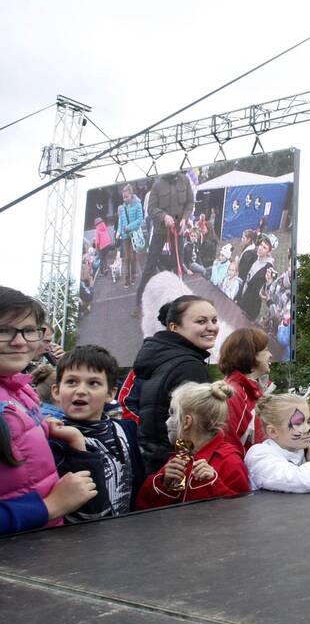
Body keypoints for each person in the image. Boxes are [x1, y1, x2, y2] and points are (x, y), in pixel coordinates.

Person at [0, 287, 97, 533]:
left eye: (29, 330)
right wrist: (50, 507)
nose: (20, 341)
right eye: (4, 330)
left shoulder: (19, 390)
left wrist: (42, 431)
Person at [51, 345, 144, 520]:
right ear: (56, 391)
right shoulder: (54, 440)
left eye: (93, 383)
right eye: (71, 382)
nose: (80, 390)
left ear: (110, 393)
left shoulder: (126, 429)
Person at [131, 296, 218, 470]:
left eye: (214, 320)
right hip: (179, 470)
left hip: (160, 465)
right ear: (174, 328)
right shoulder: (189, 367)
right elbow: (193, 432)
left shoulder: (166, 359)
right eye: (201, 321)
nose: (211, 327)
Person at [136, 380, 249, 508]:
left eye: (172, 414)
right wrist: (165, 483)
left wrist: (213, 484)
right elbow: (145, 508)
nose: (167, 422)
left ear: (186, 421)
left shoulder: (228, 460)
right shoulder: (182, 455)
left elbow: (240, 513)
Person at [244, 394, 310, 493]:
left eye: (309, 421)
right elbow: (301, 482)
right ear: (273, 432)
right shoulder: (260, 455)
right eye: (298, 423)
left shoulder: (299, 448)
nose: (308, 429)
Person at [134, 175, 194, 315]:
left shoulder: (184, 180)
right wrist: (164, 216)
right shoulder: (157, 184)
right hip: (160, 231)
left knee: (177, 265)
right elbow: (151, 209)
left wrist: (185, 218)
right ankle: (139, 302)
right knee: (150, 265)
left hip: (178, 230)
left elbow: (190, 203)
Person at [218, 327, 271, 451]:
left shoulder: (249, 390)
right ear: (251, 355)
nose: (270, 355)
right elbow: (228, 448)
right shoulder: (234, 394)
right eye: (267, 350)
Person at [238, 235, 275, 320]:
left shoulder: (268, 267)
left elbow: (265, 291)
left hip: (250, 306)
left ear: (269, 252)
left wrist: (269, 282)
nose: (260, 248)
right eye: (261, 245)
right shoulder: (256, 257)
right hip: (243, 297)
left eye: (264, 247)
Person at [116, 184, 144, 288]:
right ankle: (127, 279)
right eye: (123, 197)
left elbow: (140, 219)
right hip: (125, 236)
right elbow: (121, 220)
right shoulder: (122, 207)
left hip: (134, 235)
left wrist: (130, 227)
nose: (125, 199)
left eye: (126, 196)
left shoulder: (137, 205)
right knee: (126, 258)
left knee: (133, 257)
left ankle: (133, 276)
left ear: (131, 195)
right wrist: (118, 231)